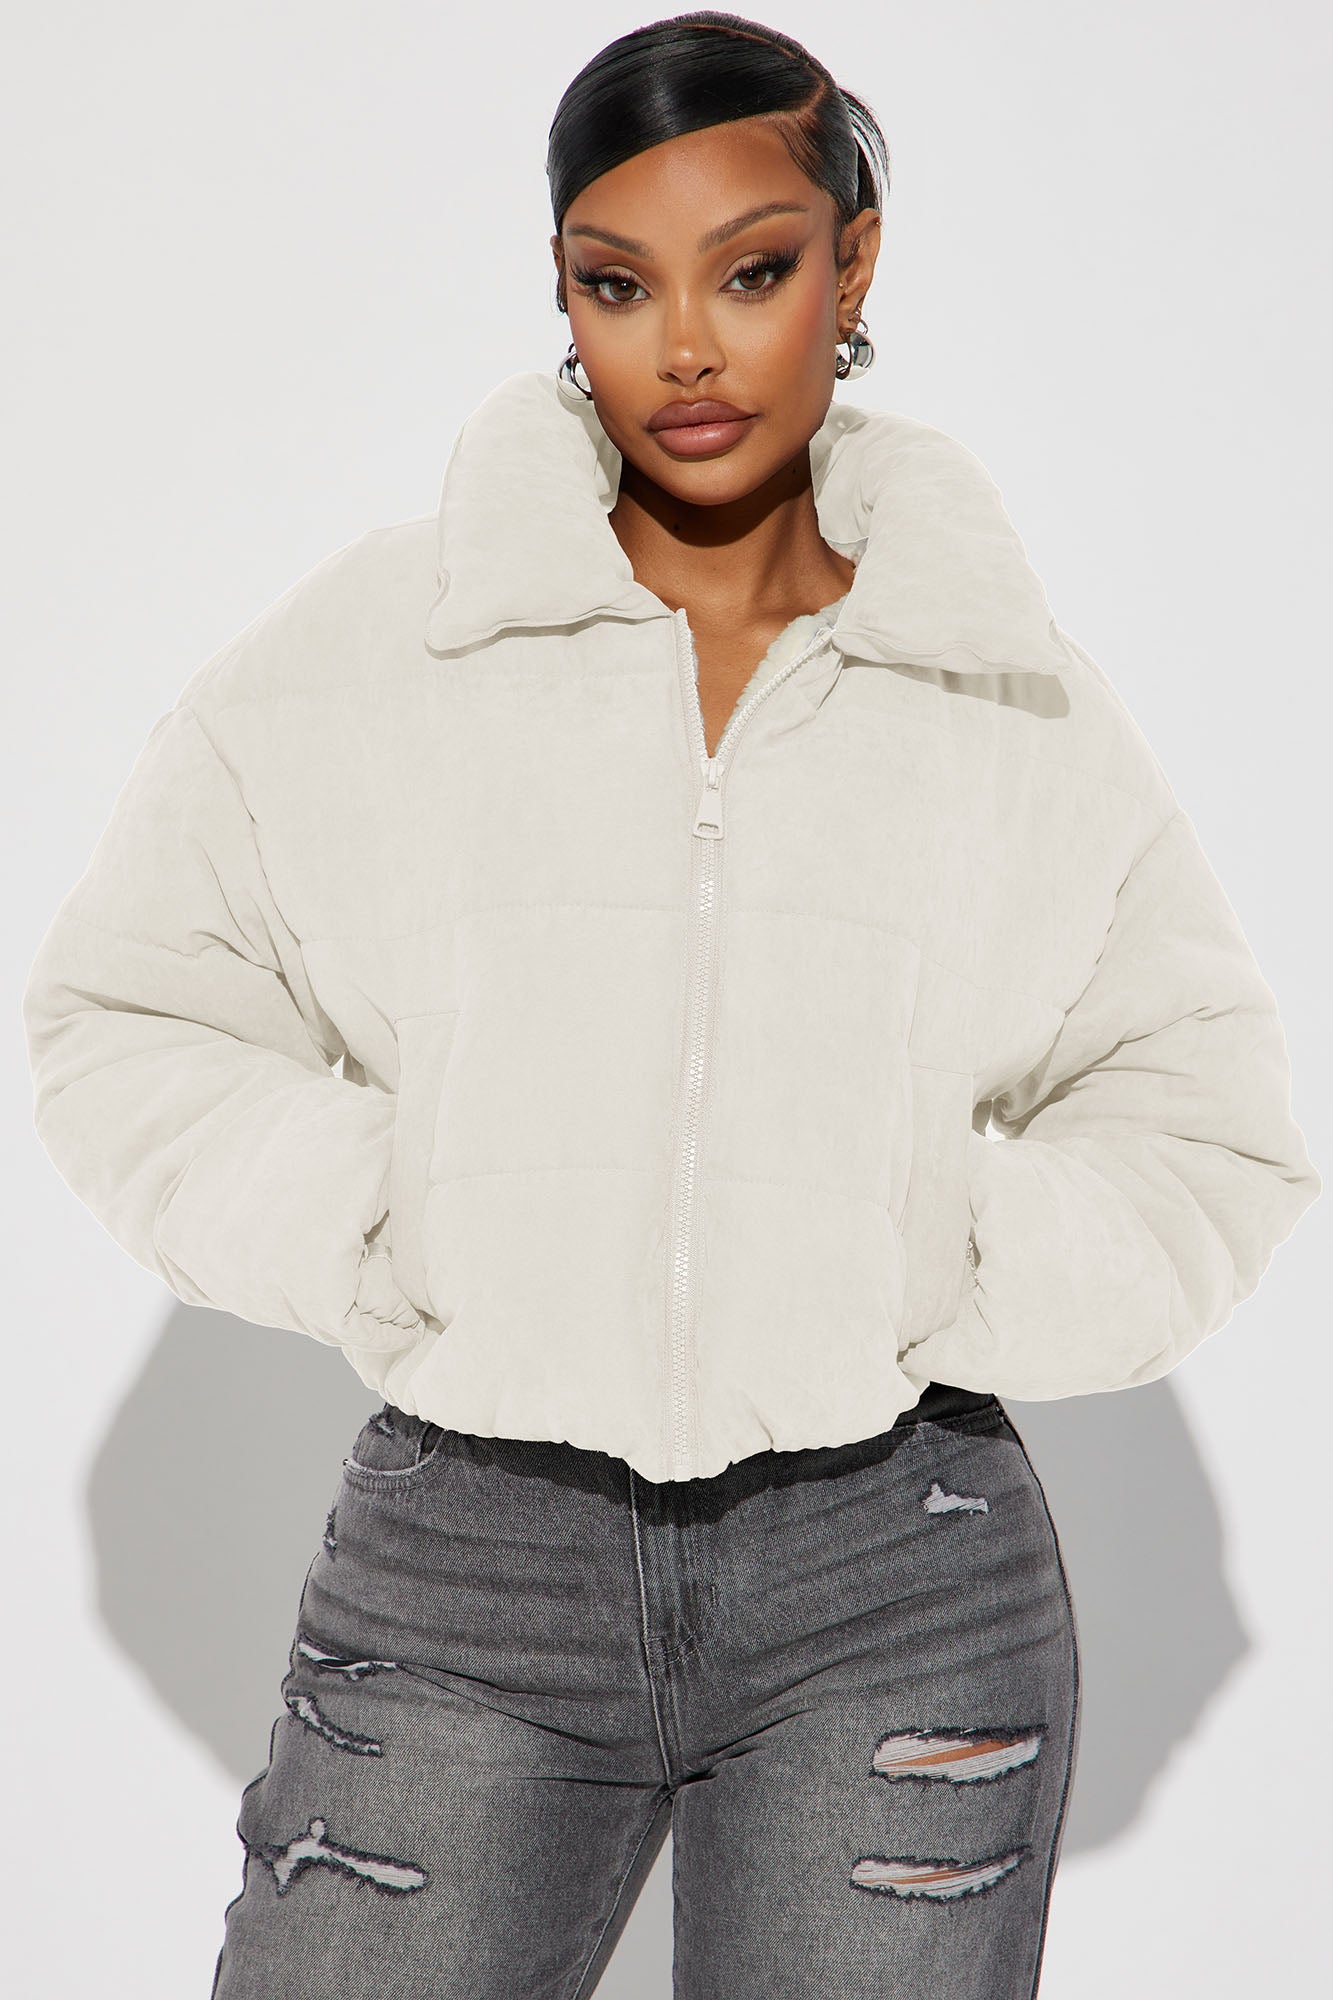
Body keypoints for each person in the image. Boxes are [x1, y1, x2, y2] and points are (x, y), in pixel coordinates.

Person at [21, 11, 1321, 1997]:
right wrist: (391, 1209)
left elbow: (1202, 1116)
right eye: (617, 283)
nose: (686, 349)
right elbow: (129, 1009)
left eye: (752, 269)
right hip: (469, 1564)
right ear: (562, 293)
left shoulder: (995, 691)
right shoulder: (387, 650)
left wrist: (937, 1241)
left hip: (894, 1567)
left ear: (852, 268)